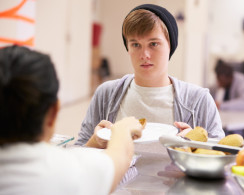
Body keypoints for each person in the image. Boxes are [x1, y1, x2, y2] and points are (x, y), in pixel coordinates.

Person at [75, 4, 225, 148]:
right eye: (135, 45)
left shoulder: (198, 101)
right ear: (128, 47)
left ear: (170, 46)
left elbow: (222, 157)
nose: (144, 55)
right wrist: (95, 142)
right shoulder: (106, 95)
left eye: (153, 44)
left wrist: (194, 146)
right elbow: (79, 154)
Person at [0, 45, 143, 195]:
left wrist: (93, 142)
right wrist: (122, 129)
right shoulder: (67, 172)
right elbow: (119, 159)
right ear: (53, 112)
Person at [210, 59, 244, 145]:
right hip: (231, 122)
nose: (218, 82)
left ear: (228, 77)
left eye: (220, 79)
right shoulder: (223, 83)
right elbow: (210, 92)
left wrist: (221, 105)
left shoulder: (242, 82)